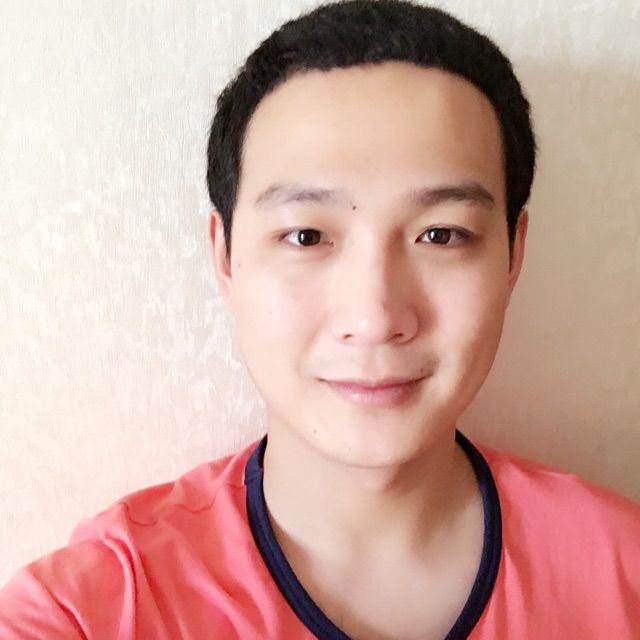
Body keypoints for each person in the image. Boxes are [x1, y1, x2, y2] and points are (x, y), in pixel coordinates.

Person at [1, 0, 639, 638]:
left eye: (441, 234)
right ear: (225, 257)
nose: (374, 318)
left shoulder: (623, 573)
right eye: (306, 236)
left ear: (513, 254)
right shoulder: (86, 614)